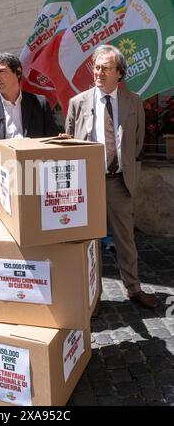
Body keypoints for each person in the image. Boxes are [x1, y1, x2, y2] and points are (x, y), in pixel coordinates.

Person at [65, 44, 158, 310]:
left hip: (119, 182)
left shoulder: (133, 101)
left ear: (120, 73)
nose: (99, 72)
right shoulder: (78, 103)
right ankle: (92, 297)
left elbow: (137, 142)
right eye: (96, 67)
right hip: (87, 184)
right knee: (88, 243)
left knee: (125, 240)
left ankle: (133, 288)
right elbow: (69, 143)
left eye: (106, 68)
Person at [0, 52, 59, 216]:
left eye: (2, 71)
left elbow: (53, 146)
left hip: (36, 187)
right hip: (0, 191)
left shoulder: (39, 104)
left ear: (18, 72)